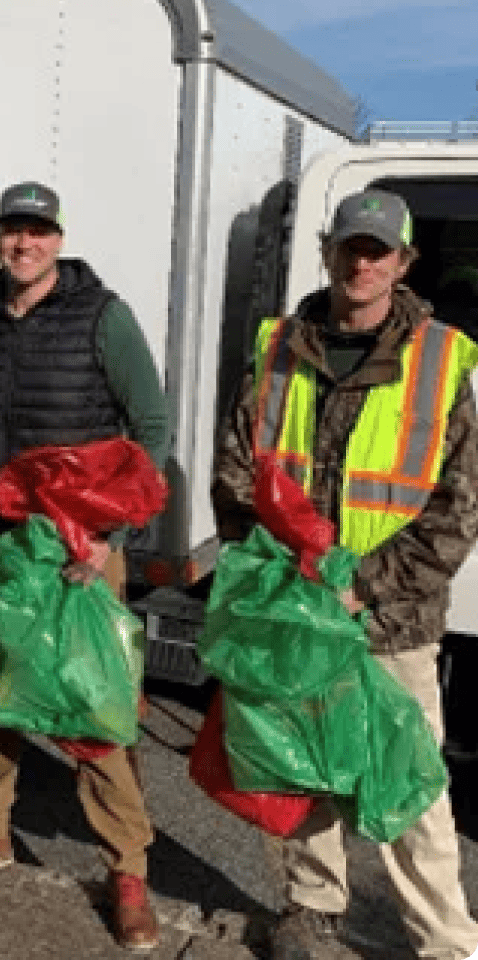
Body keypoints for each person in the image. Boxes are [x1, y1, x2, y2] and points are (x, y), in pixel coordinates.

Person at [212, 188, 478, 960]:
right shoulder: (278, 348)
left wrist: (362, 583)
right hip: (295, 611)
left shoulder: (437, 360)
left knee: (411, 789)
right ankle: (311, 907)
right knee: (304, 770)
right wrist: (280, 571)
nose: (361, 263)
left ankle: (446, 941)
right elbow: (236, 472)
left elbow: (456, 512)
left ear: (403, 263)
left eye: (378, 252)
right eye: (350, 247)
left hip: (389, 620)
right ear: (328, 250)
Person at [0, 181, 168, 952]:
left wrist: (109, 532)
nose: (23, 244)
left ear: (58, 239)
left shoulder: (104, 319)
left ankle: (126, 870)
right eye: (12, 230)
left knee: (92, 709)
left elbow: (152, 428)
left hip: (77, 551)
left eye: (37, 231)